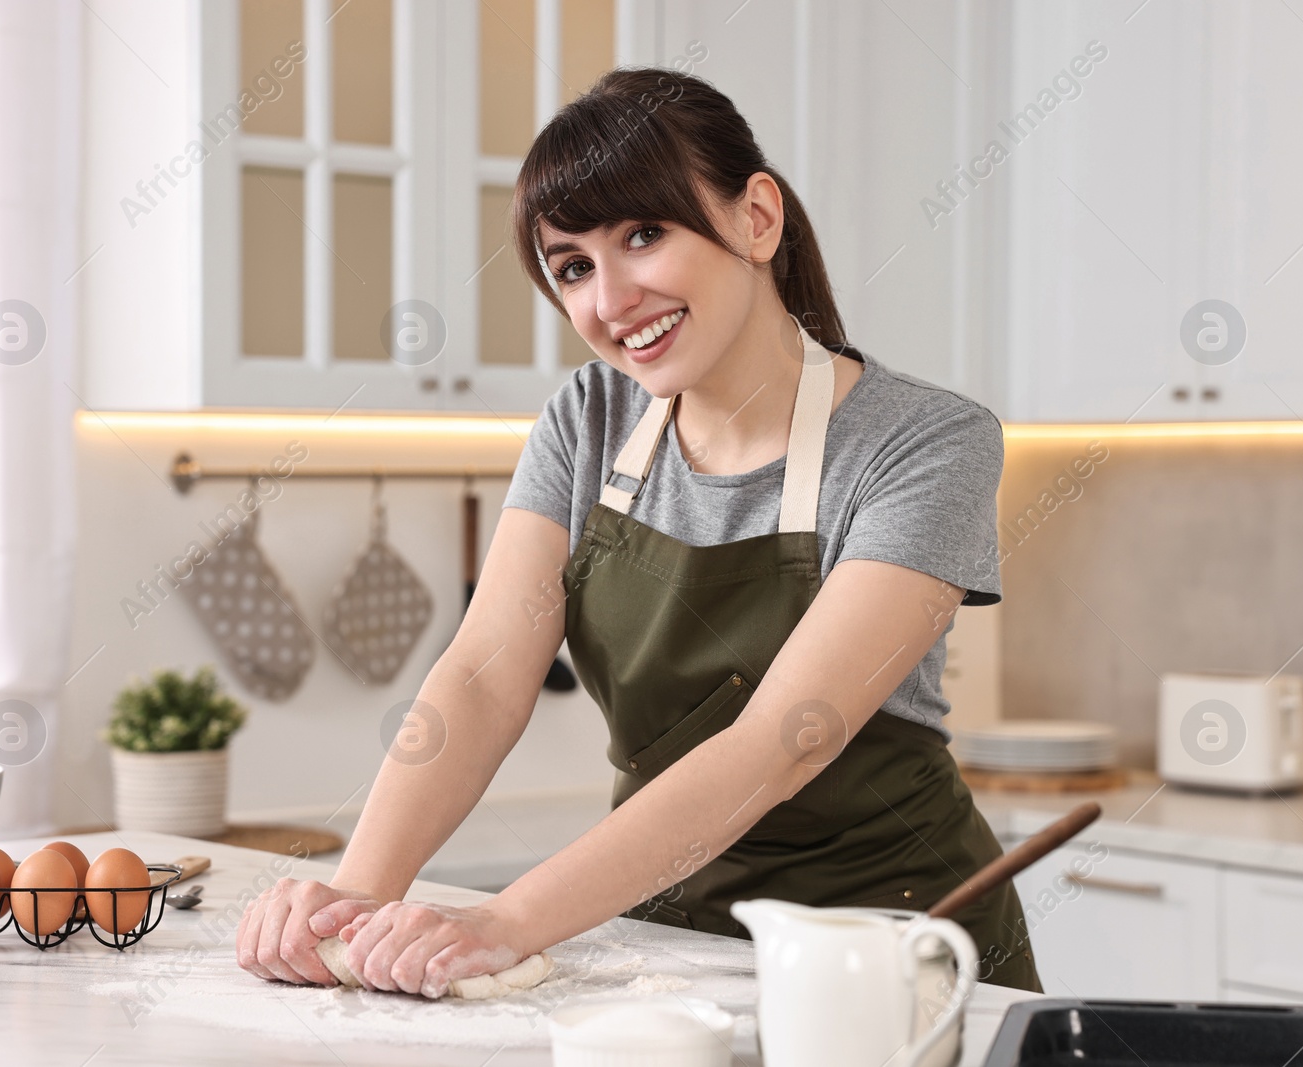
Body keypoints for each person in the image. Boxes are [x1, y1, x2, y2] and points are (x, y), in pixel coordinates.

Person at [236, 66, 1041, 997]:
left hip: (896, 951)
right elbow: (485, 676)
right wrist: (355, 896)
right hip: (672, 948)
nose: (610, 299)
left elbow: (785, 737)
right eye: (573, 265)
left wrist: (505, 918)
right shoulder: (589, 421)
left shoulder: (925, 441)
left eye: (644, 234)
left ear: (757, 219)